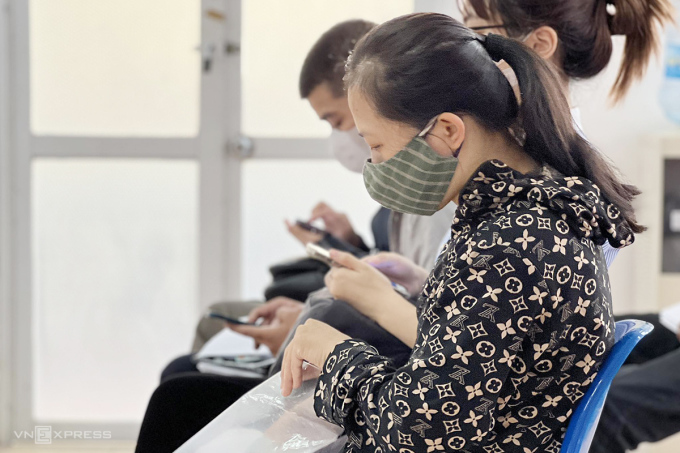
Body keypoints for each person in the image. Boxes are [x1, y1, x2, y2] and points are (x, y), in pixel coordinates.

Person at [280, 12, 642, 453]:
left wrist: (335, 353)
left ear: (448, 130)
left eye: (376, 145)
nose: (374, 165)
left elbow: (419, 433)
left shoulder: (511, 244)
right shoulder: (522, 217)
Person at [135, 20, 455, 452]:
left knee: (176, 395)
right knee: (186, 377)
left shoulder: (463, 215)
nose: (361, 149)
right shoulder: (429, 196)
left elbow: (438, 357)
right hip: (366, 375)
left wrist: (318, 333)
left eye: (358, 132)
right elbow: (429, 308)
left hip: (376, 390)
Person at [455, 1, 677, 451]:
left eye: (476, 31)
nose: (462, 47)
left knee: (612, 410)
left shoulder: (546, 188)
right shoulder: (538, 168)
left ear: (539, 44)